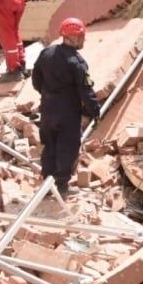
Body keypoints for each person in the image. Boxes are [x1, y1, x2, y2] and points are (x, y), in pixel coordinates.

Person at [32, 17, 100, 196]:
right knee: (67, 148)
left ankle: (47, 184)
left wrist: (47, 95)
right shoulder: (77, 63)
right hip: (68, 114)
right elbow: (85, 91)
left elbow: (36, 79)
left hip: (47, 111)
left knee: (50, 146)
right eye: (81, 36)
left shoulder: (46, 53)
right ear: (74, 38)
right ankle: (61, 186)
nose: (83, 40)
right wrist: (95, 112)